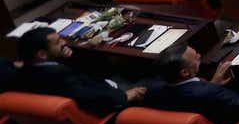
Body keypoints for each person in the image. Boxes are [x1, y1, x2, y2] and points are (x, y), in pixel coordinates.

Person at [14, 26, 144, 115]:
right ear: (42, 54)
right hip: (110, 102)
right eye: (58, 42)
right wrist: (124, 96)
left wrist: (66, 58)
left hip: (97, 86)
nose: (64, 42)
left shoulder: (24, 70)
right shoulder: (60, 75)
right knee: (156, 85)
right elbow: (91, 97)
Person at [144, 45, 239, 124]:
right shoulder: (210, 92)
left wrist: (212, 84)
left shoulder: (153, 90)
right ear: (185, 73)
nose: (200, 56)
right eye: (196, 57)